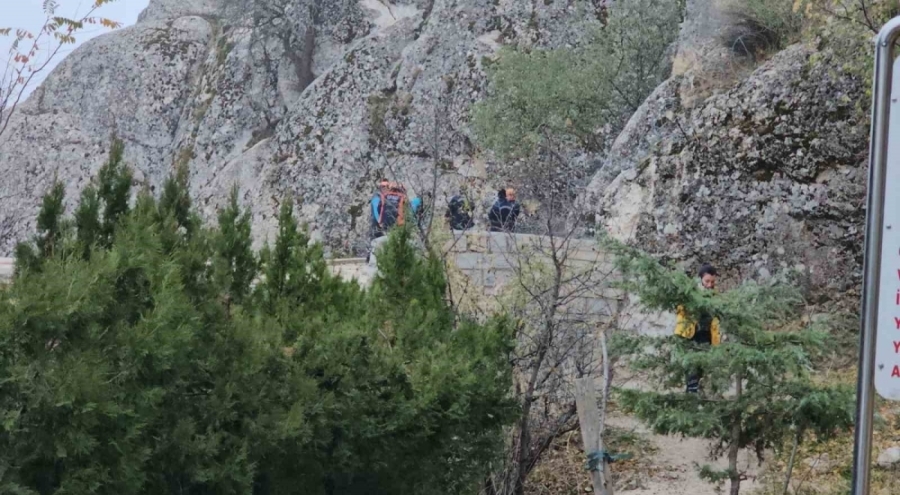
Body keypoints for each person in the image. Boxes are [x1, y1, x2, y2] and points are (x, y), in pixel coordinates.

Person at [674, 264, 721, 394]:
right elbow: (679, 309)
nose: (710, 285)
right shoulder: (690, 293)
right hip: (690, 335)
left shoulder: (715, 296)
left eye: (712, 282)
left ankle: (695, 396)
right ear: (700, 279)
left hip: (707, 337)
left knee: (701, 368)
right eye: (707, 281)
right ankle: (691, 395)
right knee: (691, 367)